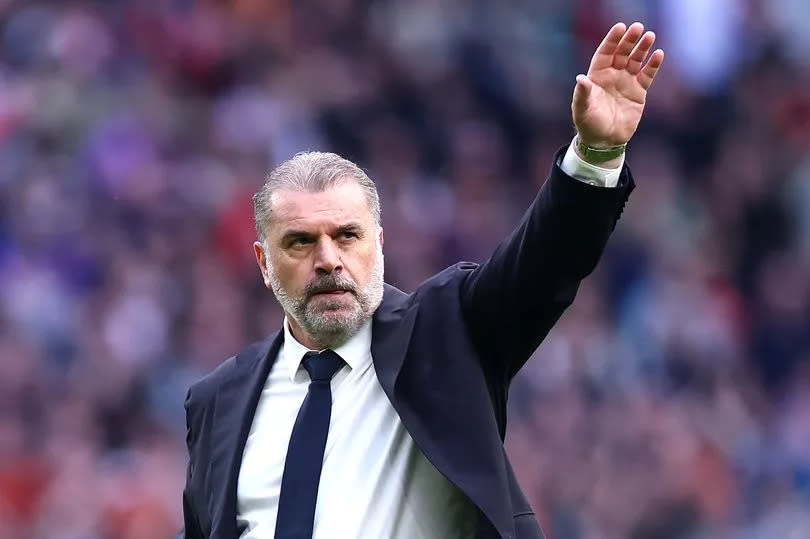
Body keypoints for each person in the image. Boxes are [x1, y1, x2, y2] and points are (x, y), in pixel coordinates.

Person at [179, 22, 664, 539]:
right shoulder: (218, 400)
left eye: (347, 236)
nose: (328, 259)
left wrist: (595, 155)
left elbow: (543, 265)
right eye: (301, 242)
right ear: (263, 261)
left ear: (379, 244)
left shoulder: (445, 333)